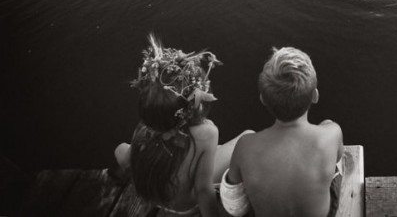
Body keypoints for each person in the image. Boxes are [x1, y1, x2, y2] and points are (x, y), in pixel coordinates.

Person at [114, 35, 248, 217]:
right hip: (185, 206)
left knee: (121, 149)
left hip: (156, 197)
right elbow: (202, 189)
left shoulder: (146, 124)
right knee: (247, 137)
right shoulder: (206, 132)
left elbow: (123, 154)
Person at [221, 47, 343, 217]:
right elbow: (337, 159)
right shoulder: (332, 133)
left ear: (263, 99)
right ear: (315, 96)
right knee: (327, 128)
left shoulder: (246, 145)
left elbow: (233, 199)